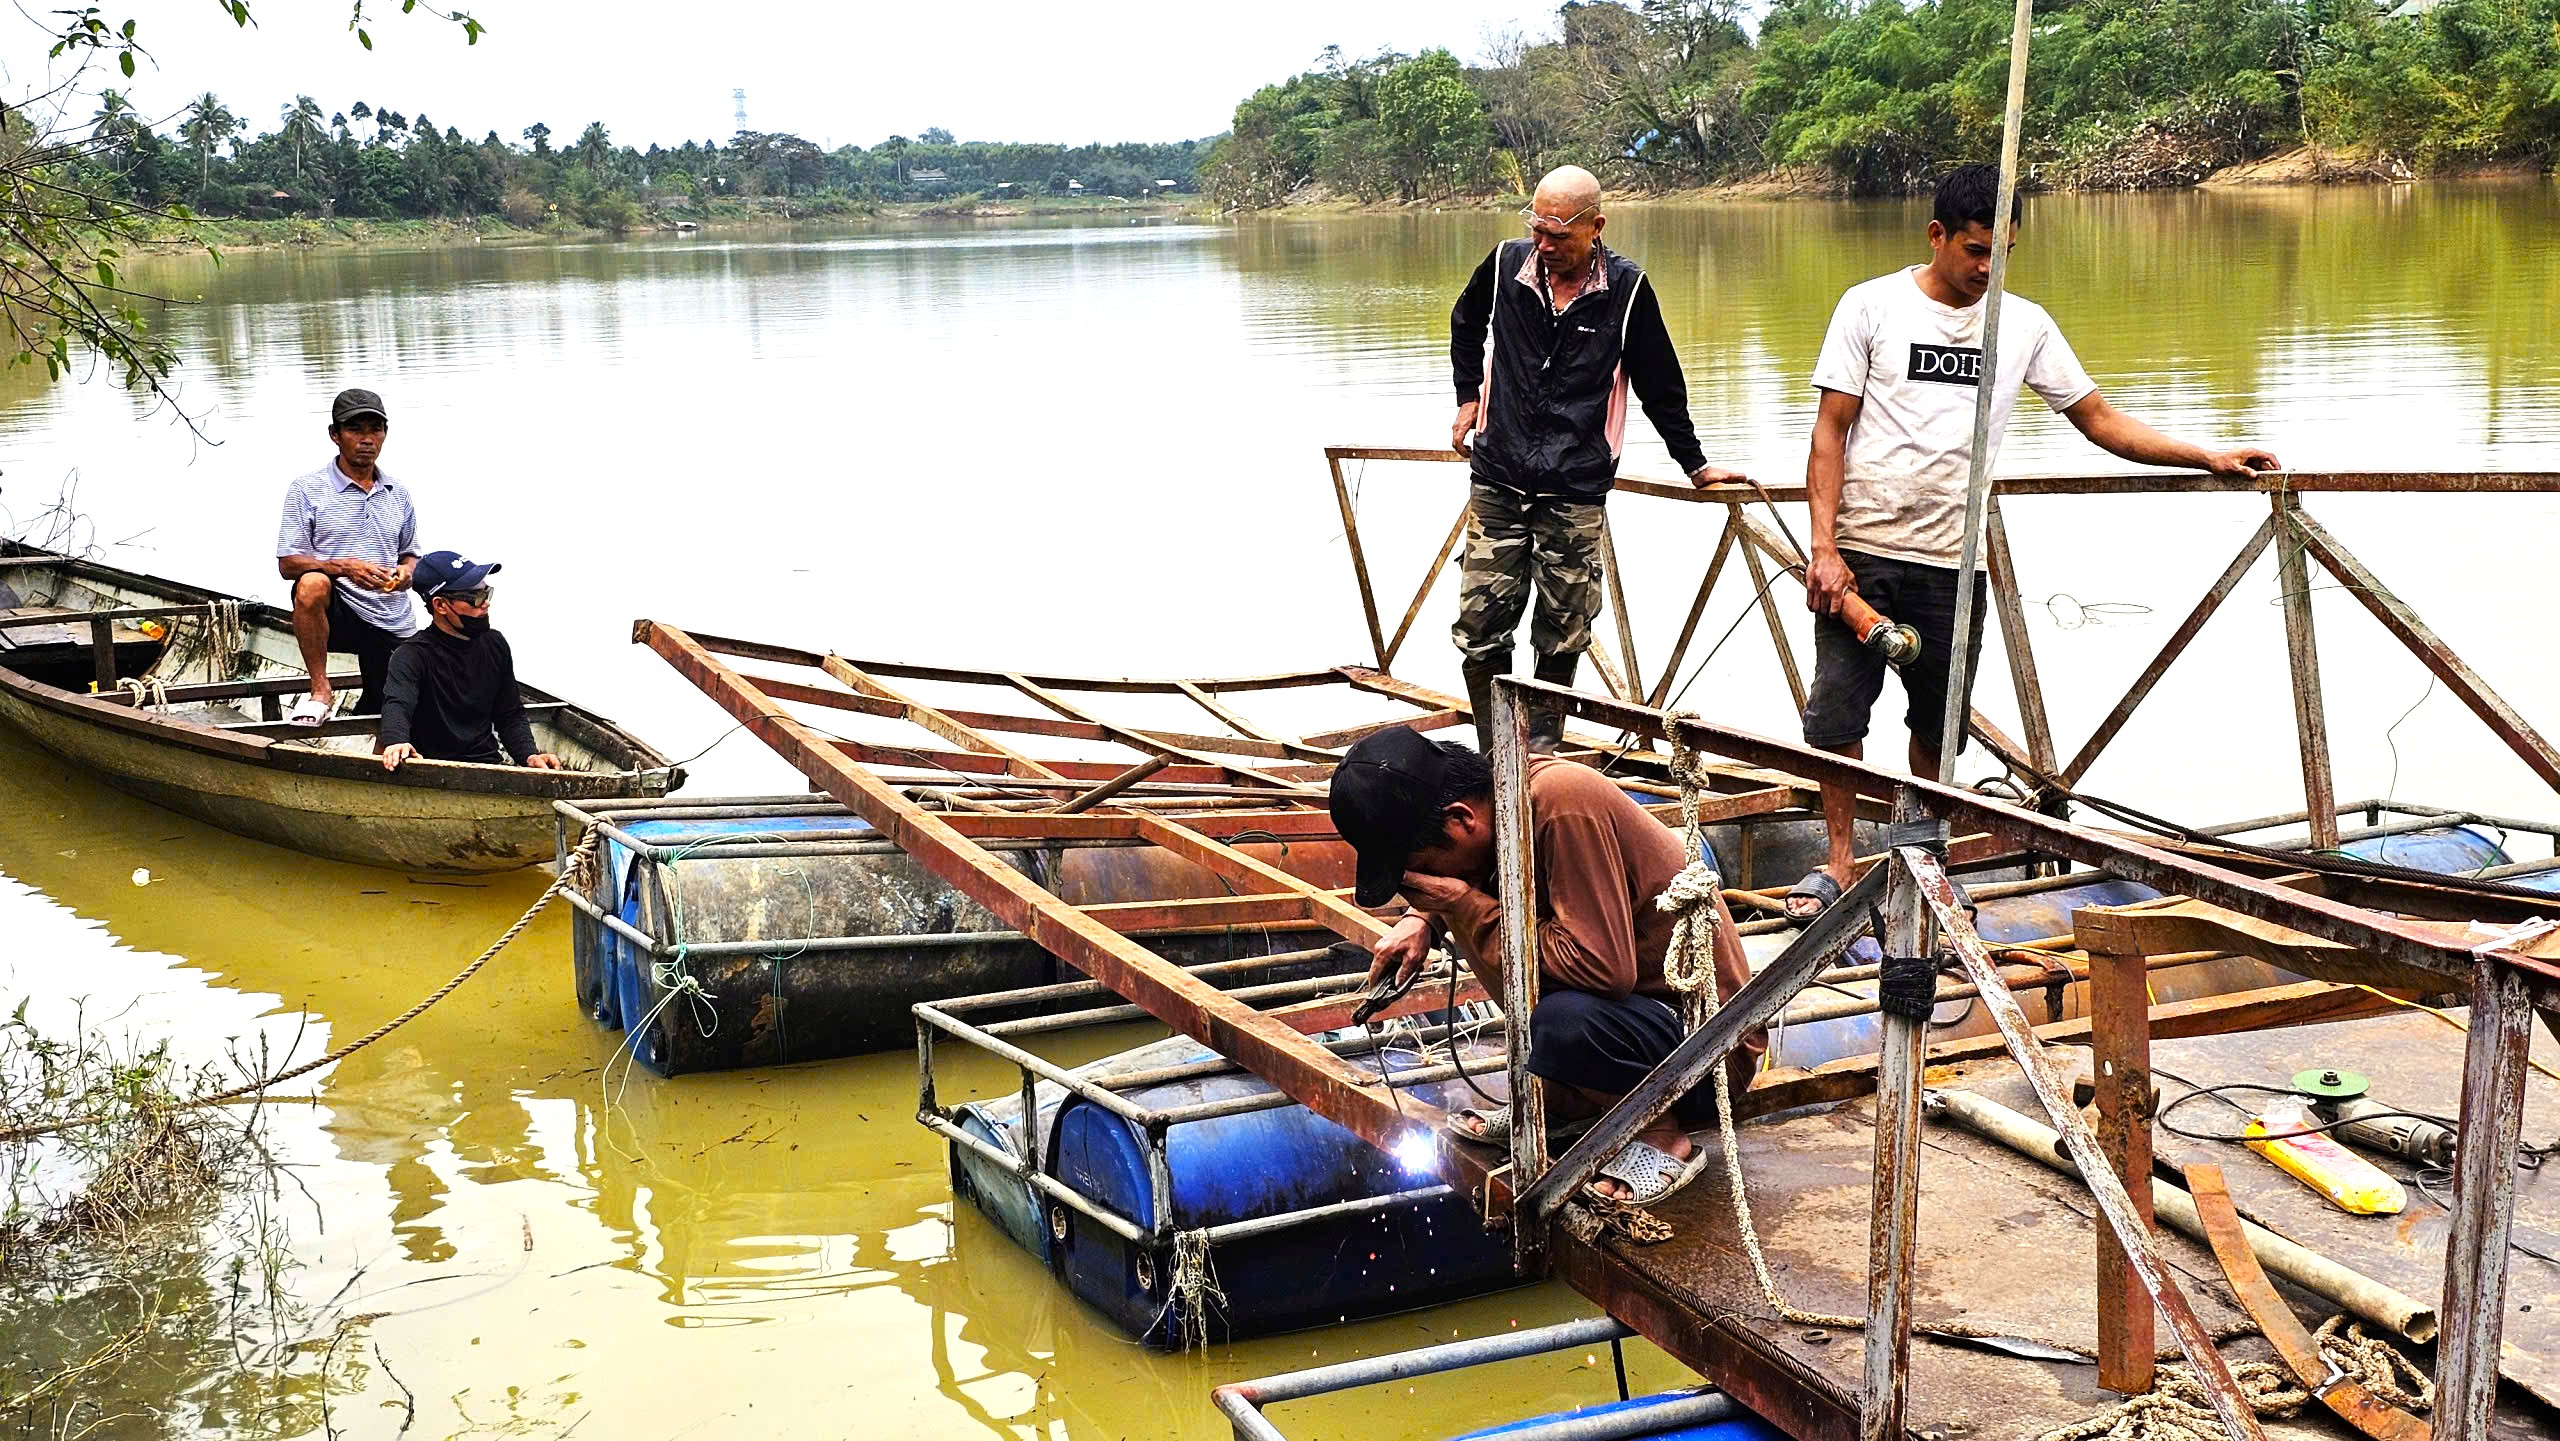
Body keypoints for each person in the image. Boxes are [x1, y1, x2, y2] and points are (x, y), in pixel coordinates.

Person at [1784, 164, 2282, 920]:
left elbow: (2100, 419)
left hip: (1953, 560)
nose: (1988, 269)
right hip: (1863, 551)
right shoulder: (1872, 308)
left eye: (2003, 254)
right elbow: (1829, 430)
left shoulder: (2023, 325)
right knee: (1837, 718)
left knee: (1935, 722)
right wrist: (1824, 547)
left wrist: (2206, 454)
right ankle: (1841, 860)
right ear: (1937, 236)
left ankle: (1923, 859)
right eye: (1975, 251)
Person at [1331, 724, 1759, 1205]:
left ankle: (1662, 1134)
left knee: (1563, 1022)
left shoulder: (1560, 803)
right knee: (1486, 917)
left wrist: (1466, 906)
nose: (1426, 881)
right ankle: (1565, 1103)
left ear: (1460, 819)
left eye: (1424, 867)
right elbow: (1484, 868)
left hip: (1707, 1050)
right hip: (1642, 1027)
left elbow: (1601, 968)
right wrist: (1423, 918)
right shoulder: (1499, 802)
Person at [1447, 165, 1747, 753]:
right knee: (1480, 629)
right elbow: (1465, 321)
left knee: (1562, 633)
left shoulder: (1628, 290)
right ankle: (1495, 755)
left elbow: (1661, 383)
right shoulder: (1506, 265)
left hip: (1575, 488)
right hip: (1499, 477)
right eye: (1538, 228)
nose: (1545, 245)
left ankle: (1539, 755)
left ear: (1596, 227)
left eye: (1560, 234)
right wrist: (1467, 398)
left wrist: (1694, 463)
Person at [276, 387, 419, 724]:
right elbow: (287, 564)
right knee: (311, 583)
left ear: (385, 434)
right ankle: (320, 689)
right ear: (335, 435)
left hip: (389, 615)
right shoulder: (307, 489)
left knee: (394, 710)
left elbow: (412, 556)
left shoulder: (397, 493)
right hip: (338, 613)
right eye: (355, 430)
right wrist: (340, 567)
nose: (366, 439)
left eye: (375, 430)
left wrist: (406, 573)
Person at [377, 550, 561, 772]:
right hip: (429, 768)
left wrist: (529, 755)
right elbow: (398, 704)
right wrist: (396, 741)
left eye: (487, 592)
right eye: (475, 597)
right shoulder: (411, 655)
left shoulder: (495, 644)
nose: (485, 604)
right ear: (441, 605)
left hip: (486, 765)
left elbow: (509, 713)